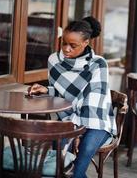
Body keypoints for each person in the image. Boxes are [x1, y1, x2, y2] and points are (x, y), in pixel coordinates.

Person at [28, 16, 117, 178]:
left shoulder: (98, 64)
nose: (66, 49)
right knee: (60, 163)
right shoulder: (54, 61)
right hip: (68, 118)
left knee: (81, 158)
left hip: (96, 120)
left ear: (86, 43)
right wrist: (46, 90)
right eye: (64, 43)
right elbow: (64, 94)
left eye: (73, 45)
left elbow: (92, 102)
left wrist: (78, 130)